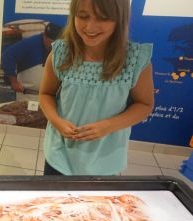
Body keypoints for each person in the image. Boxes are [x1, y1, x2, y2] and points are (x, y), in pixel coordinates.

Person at [39, 0, 154, 175]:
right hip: (59, 156)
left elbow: (144, 105)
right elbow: (46, 94)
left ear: (119, 18)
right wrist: (57, 121)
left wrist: (108, 125)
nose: (90, 27)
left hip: (105, 160)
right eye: (83, 16)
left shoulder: (135, 60)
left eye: (103, 18)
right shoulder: (61, 53)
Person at [1, 22, 63, 93]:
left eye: (57, 43)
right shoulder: (31, 43)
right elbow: (7, 56)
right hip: (26, 94)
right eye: (51, 42)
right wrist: (14, 82)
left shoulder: (62, 47)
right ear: (44, 36)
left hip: (48, 95)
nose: (54, 46)